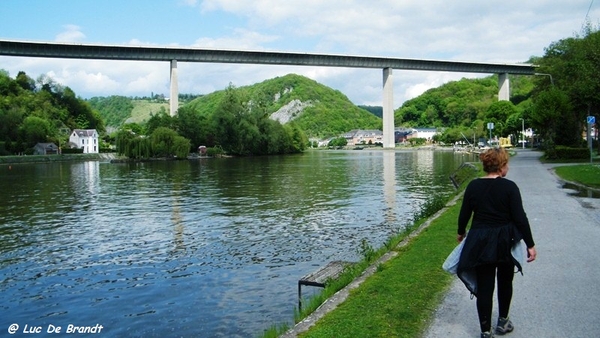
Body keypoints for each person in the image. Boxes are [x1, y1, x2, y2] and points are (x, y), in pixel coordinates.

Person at [456, 147, 537, 338]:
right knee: (505, 281)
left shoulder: (473, 186)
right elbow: (520, 218)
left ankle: (485, 331)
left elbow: (464, 214)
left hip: (480, 241)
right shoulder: (509, 187)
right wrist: (530, 244)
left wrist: (461, 233)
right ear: (501, 167)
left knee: (485, 286)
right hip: (504, 241)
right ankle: (503, 322)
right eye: (506, 164)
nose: (507, 167)